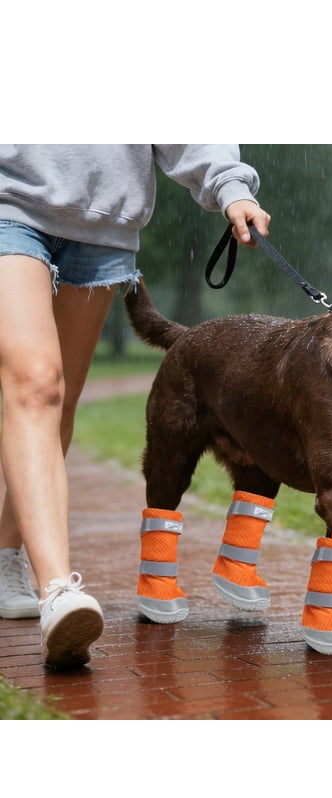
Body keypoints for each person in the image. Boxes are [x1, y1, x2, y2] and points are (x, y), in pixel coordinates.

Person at [0, 144, 271, 669]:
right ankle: (58, 589)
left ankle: (7, 554)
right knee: (36, 384)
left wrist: (229, 184)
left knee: (59, 403)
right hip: (9, 204)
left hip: (102, 223)